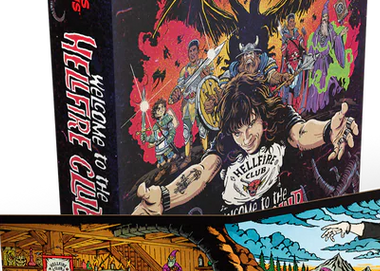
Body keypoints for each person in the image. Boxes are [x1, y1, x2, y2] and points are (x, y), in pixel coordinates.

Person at [133, 74, 344, 215]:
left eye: (251, 124)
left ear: (262, 113)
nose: (246, 139)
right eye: (238, 132)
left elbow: (301, 133)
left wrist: (328, 131)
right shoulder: (225, 140)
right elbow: (202, 172)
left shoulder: (278, 117)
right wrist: (165, 196)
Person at [169, 39, 213, 154]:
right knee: (186, 132)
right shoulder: (184, 70)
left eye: (194, 50)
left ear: (198, 51)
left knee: (203, 130)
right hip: (188, 106)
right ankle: (187, 156)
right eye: (190, 51)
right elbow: (180, 86)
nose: (192, 53)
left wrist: (206, 77)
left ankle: (206, 152)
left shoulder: (205, 65)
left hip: (201, 102)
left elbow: (212, 81)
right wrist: (177, 92)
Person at [138, 98, 179, 171]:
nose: (161, 109)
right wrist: (145, 137)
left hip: (166, 144)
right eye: (158, 109)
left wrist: (171, 136)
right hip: (158, 148)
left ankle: (174, 167)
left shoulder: (167, 119)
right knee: (161, 163)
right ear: (155, 113)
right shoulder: (155, 126)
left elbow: (172, 129)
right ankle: (164, 171)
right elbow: (153, 138)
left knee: (171, 157)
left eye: (162, 107)